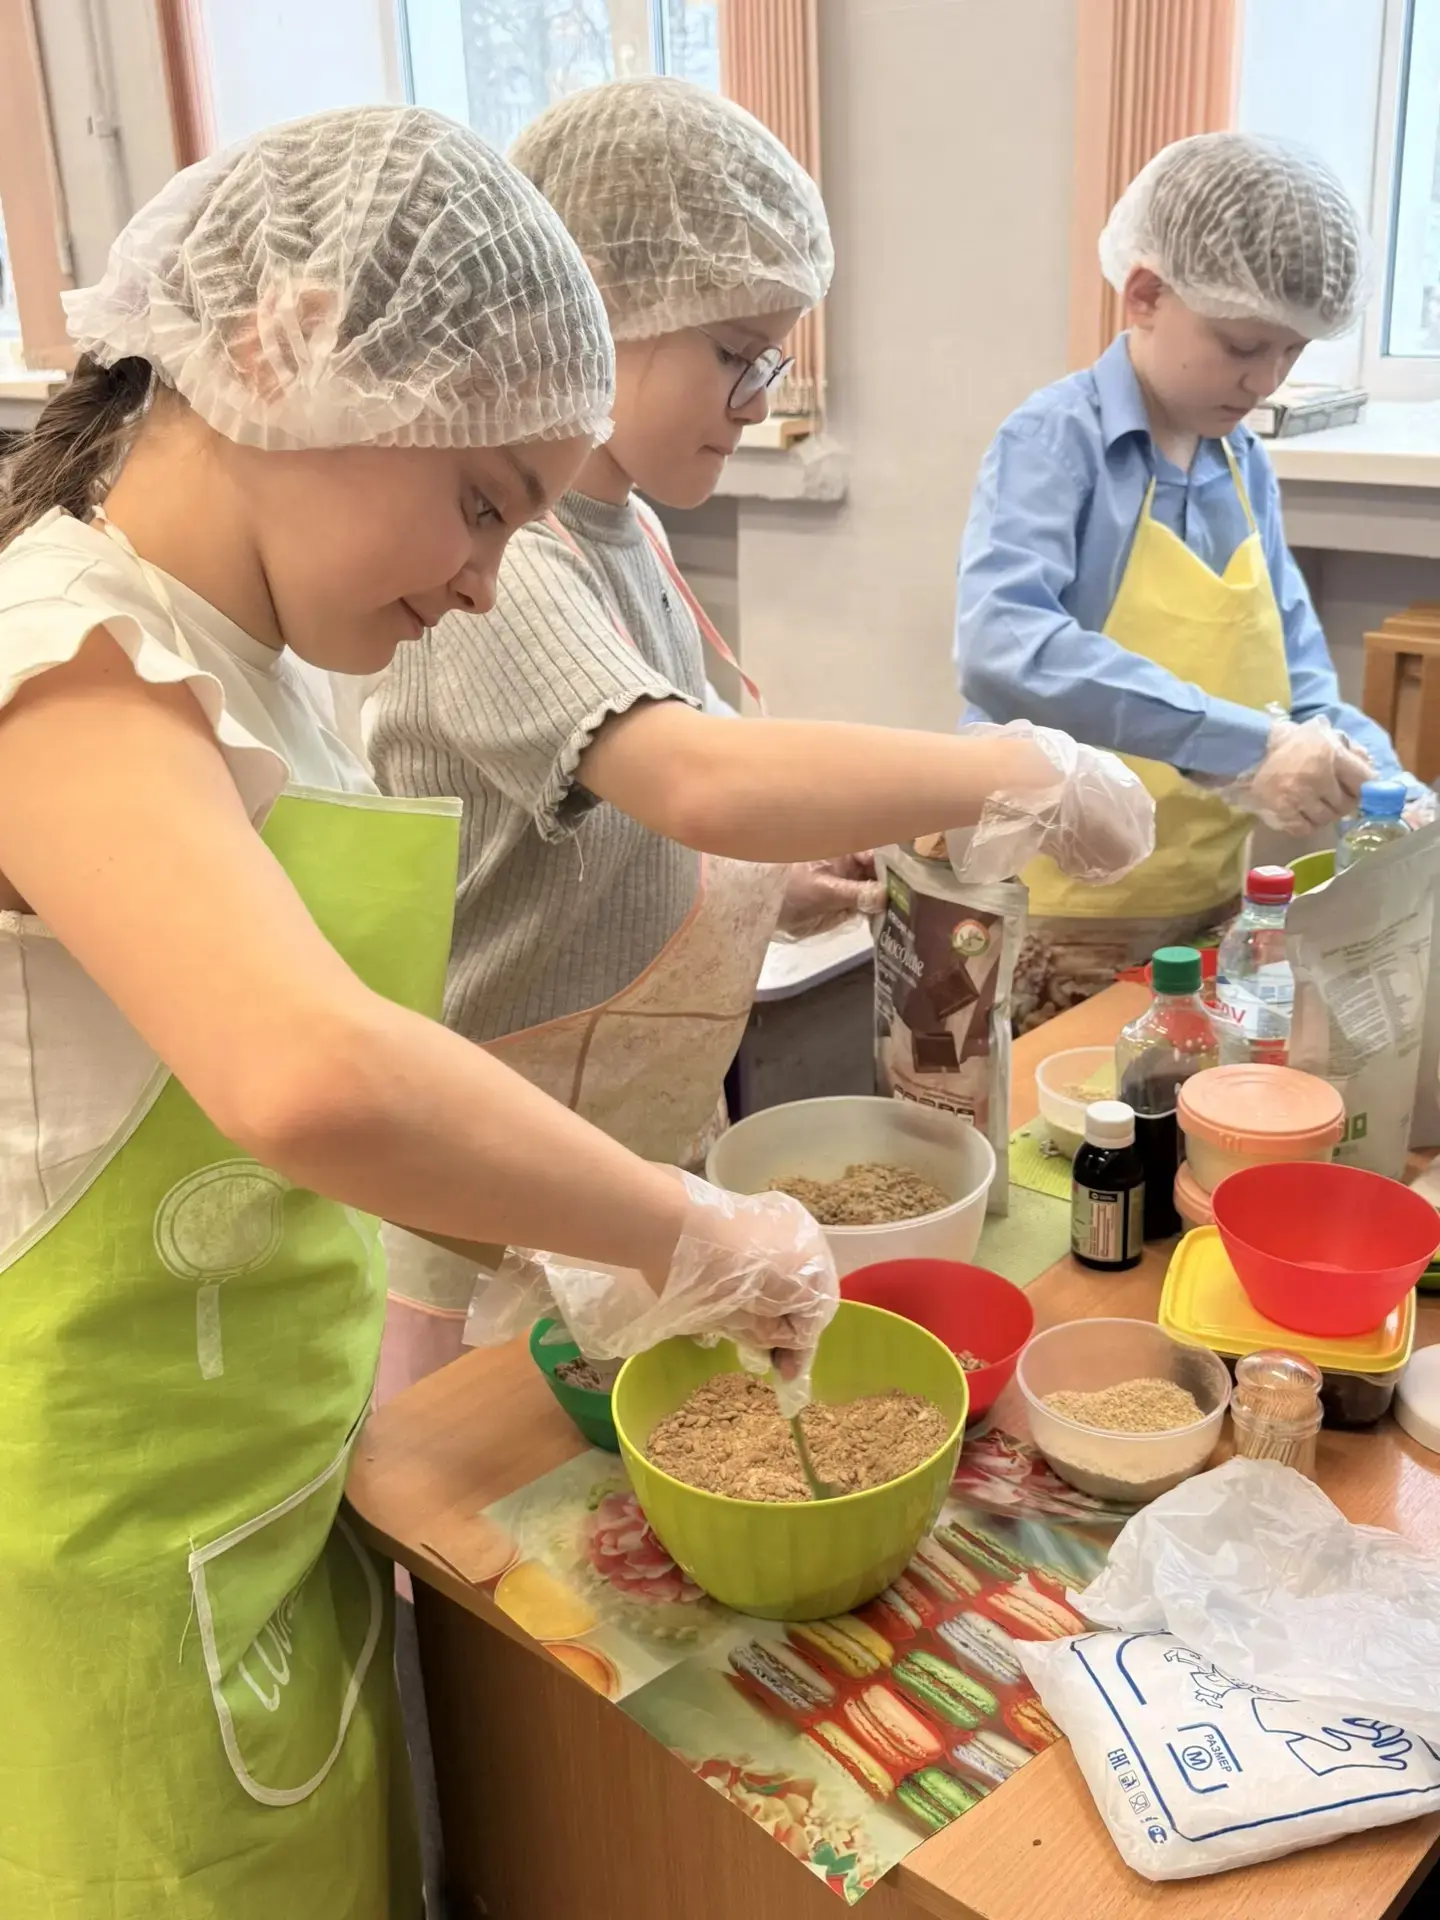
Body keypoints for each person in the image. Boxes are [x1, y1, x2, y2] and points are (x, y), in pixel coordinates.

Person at [0, 105, 869, 1920]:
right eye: (481, 502)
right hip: (98, 1538)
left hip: (268, 1482)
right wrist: (685, 1228)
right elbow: (307, 1072)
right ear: (283, 346)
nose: (484, 580)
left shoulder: (254, 659)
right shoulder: (71, 655)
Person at [367, 78, 1155, 1392]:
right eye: (735, 353)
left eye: (770, 360)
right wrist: (1015, 770)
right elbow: (690, 776)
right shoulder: (498, 565)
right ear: (593, 308)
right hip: (475, 1212)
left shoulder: (629, 532)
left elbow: (621, 817)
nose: (756, 399)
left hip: (614, 1172)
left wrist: (762, 888)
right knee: (481, 1479)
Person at [954, 133, 1425, 1031]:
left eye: (1292, 352)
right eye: (1243, 344)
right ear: (1145, 295)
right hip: (1058, 914)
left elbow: (1303, 688)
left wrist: (1398, 800)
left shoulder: (1243, 467)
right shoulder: (1055, 443)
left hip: (1211, 907)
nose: (1265, 380)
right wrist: (1246, 746)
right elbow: (1005, 648)